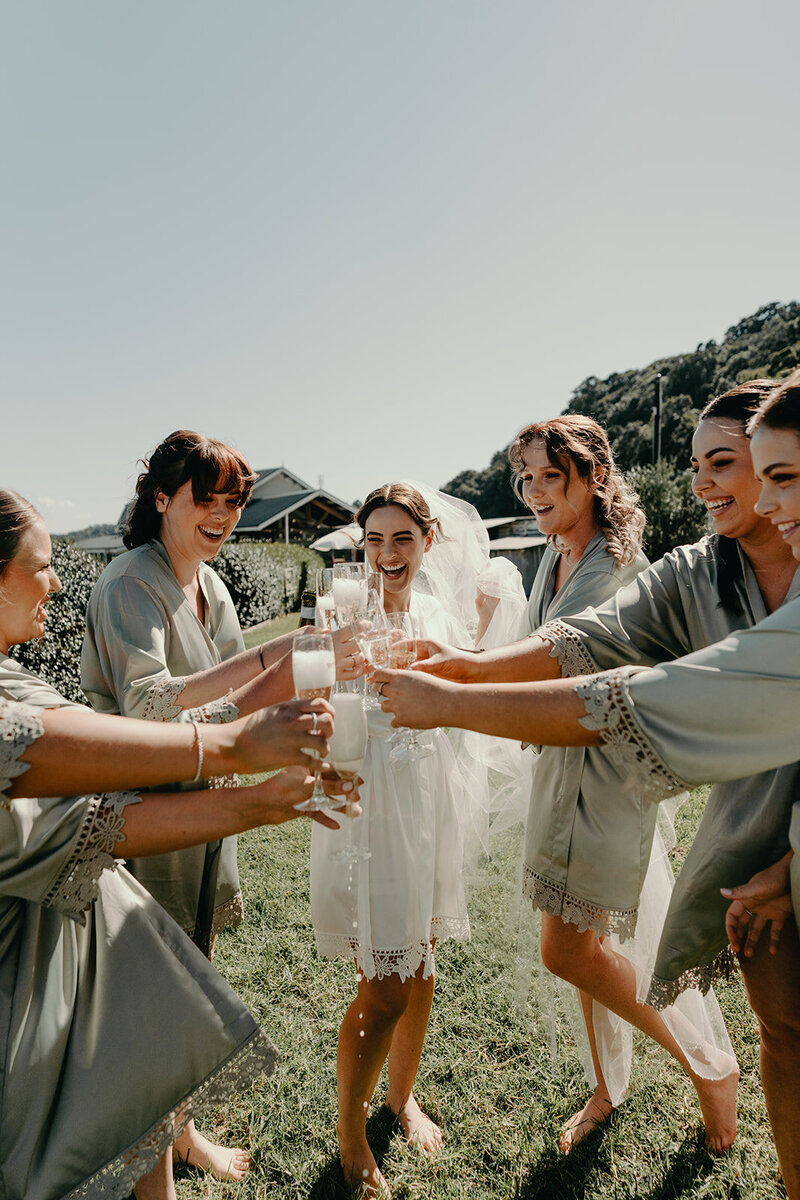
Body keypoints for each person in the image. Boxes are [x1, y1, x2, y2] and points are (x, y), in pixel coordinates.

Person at [371, 368, 800, 1196]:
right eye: (697, 464)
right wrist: (464, 664)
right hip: (748, 842)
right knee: (784, 1037)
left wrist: (456, 700)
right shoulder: (696, 570)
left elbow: (634, 695)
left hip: (677, 797)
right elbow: (586, 638)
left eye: (735, 464)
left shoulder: (621, 557)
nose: (701, 482)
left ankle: (698, 1069)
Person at [0, 490, 358, 1200]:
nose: (59, 580)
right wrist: (229, 747)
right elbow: (42, 748)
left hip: (91, 953)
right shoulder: (128, 581)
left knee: (143, 1099)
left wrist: (258, 797)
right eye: (41, 565)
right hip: (24, 994)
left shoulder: (15, 670)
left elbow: (87, 817)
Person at [310, 482, 520, 1199]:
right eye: (374, 539)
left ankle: (401, 1100)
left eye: (401, 538)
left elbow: (464, 702)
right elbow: (320, 713)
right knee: (384, 987)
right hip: (375, 811)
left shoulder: (435, 612)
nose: (386, 554)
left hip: (429, 804)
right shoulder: (342, 613)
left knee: (422, 966)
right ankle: (348, 1134)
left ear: (428, 542)